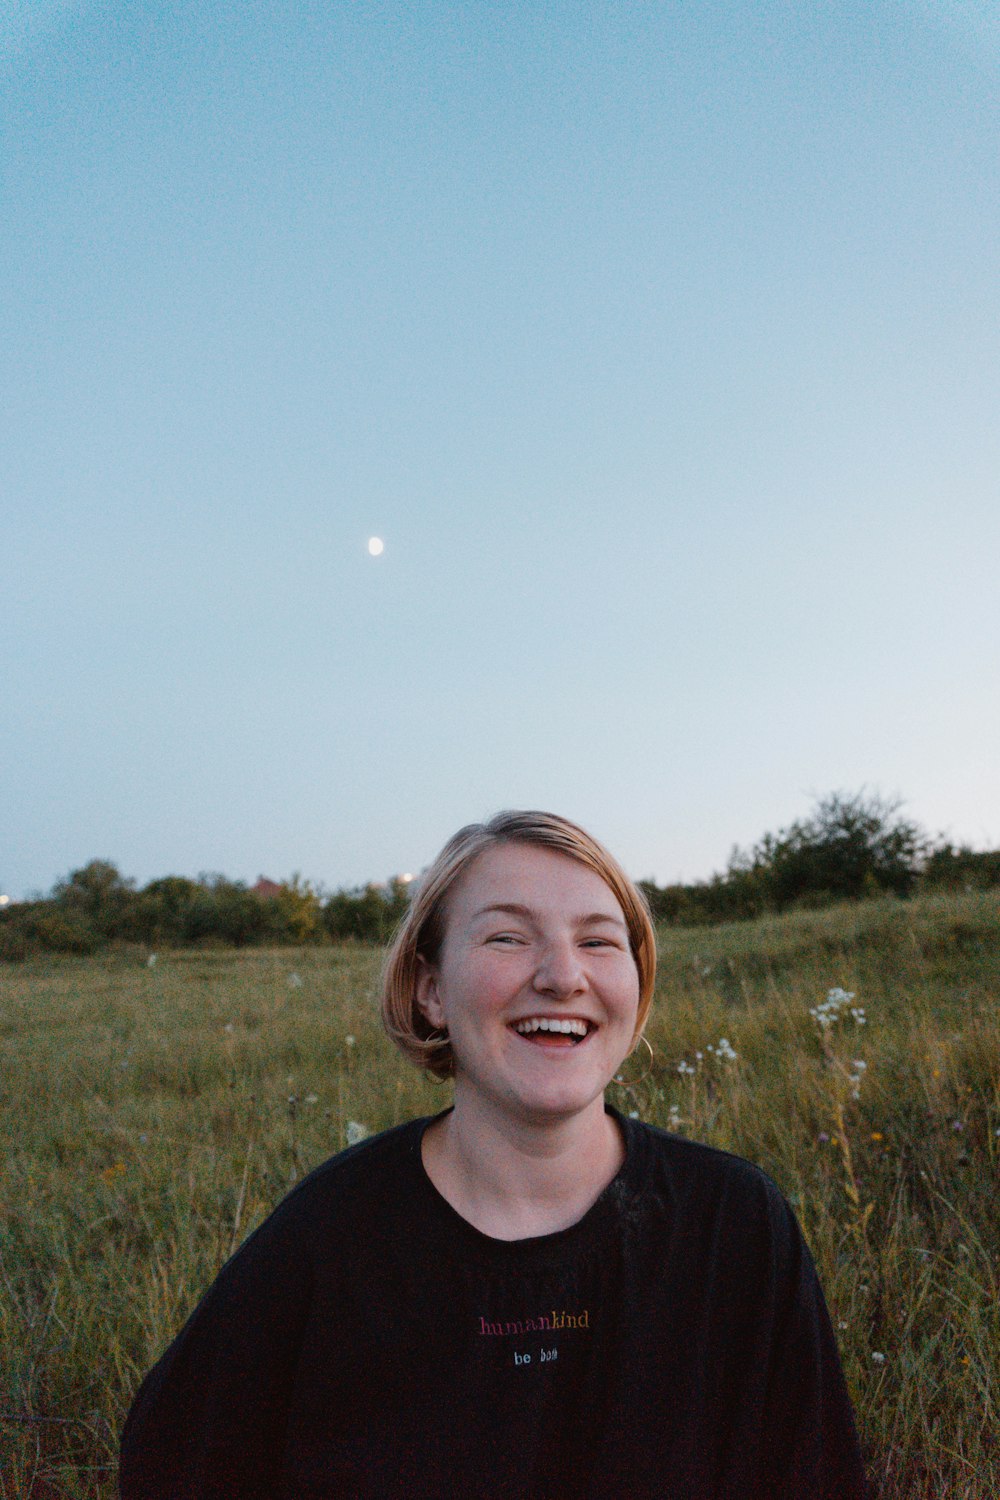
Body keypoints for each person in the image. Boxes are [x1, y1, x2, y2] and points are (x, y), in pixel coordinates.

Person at [119, 810, 869, 1499]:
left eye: (599, 940)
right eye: (508, 936)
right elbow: (171, 1464)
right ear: (430, 990)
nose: (562, 975)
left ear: (635, 987)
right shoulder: (328, 1236)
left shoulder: (733, 1222)